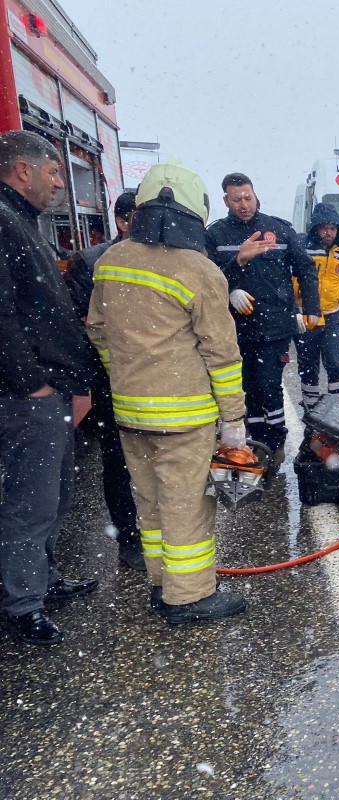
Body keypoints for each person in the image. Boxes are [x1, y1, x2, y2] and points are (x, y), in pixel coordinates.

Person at [86, 161, 248, 624]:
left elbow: (98, 331)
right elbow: (221, 354)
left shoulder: (111, 261)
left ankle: (161, 583)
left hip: (129, 411)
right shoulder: (199, 270)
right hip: (184, 417)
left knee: (151, 502)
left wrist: (127, 377)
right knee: (187, 505)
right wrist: (233, 421)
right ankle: (190, 595)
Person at [0, 130, 97, 646]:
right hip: (27, 398)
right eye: (54, 172)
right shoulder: (4, 221)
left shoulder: (25, 221)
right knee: (29, 503)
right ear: (23, 170)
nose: (61, 182)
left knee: (57, 497)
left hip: (52, 391)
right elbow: (4, 315)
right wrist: (32, 384)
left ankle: (43, 579)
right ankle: (22, 607)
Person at [205, 173, 319, 462]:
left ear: (255, 195)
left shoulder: (278, 230)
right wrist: (232, 279)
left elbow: (305, 269)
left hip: (275, 327)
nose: (243, 204)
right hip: (235, 329)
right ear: (226, 201)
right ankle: (253, 442)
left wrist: (312, 311)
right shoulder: (215, 235)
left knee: (269, 384)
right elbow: (205, 281)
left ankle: (275, 441)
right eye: (236, 199)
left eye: (247, 197)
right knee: (246, 388)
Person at [65, 190, 144, 570]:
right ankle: (128, 536)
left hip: (157, 378)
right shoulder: (92, 261)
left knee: (159, 460)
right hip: (110, 379)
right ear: (123, 221)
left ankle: (160, 533)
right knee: (117, 459)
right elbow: (80, 322)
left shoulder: (161, 261)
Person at [294, 202, 339, 412]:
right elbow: (292, 284)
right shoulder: (303, 252)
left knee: (336, 364)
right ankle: (311, 410)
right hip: (308, 319)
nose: (328, 233)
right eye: (324, 228)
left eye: (332, 228)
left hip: (332, 317)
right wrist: (295, 312)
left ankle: (338, 410)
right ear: (316, 229)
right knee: (308, 367)